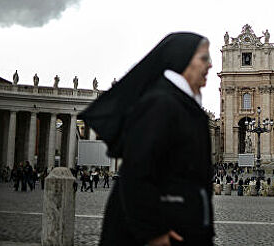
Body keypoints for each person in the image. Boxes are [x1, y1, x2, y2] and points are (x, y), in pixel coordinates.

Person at [80, 32, 214, 245]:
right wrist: (153, 232)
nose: (211, 65)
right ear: (183, 58)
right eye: (204, 58)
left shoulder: (184, 104)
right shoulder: (159, 103)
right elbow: (136, 172)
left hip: (180, 228)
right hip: (155, 236)